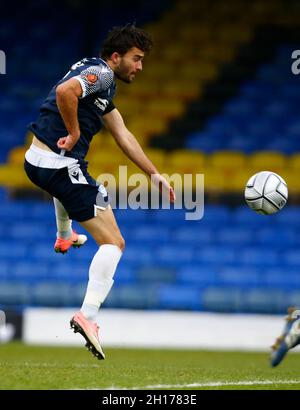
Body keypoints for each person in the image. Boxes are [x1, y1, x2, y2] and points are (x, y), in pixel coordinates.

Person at [24, 24, 175, 360]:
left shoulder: (97, 77)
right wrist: (75, 132)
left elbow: (122, 135)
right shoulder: (103, 74)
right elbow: (66, 92)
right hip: (58, 163)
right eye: (136, 59)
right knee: (114, 242)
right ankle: (88, 316)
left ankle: (64, 236)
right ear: (116, 57)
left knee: (75, 185)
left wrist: (154, 174)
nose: (140, 67)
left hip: (37, 160)